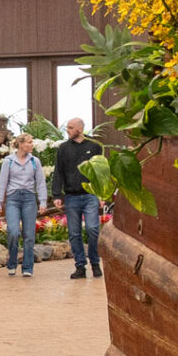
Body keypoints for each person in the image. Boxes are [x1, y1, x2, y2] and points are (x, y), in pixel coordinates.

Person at [49, 118, 104, 280]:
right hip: (71, 197)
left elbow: (101, 171)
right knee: (74, 233)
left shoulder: (94, 147)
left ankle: (94, 262)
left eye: (71, 128)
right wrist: (57, 195)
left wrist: (102, 195)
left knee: (93, 229)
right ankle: (80, 266)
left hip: (91, 195)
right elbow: (58, 171)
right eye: (68, 127)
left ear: (80, 129)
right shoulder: (63, 148)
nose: (68, 130)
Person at [0, 135, 45, 279]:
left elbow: (40, 183)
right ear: (21, 144)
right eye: (29, 142)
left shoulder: (35, 162)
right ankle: (12, 262)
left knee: (29, 235)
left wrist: (43, 201)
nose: (32, 145)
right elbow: (2, 182)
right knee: (13, 231)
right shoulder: (8, 161)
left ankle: (27, 267)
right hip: (13, 199)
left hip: (29, 198)